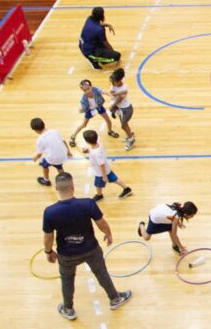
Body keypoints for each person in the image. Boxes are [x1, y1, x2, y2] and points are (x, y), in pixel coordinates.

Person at [42, 172, 132, 321]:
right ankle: (114, 299)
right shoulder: (87, 204)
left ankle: (68, 309)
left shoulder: (50, 212)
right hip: (91, 250)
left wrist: (48, 251)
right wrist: (108, 234)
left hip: (66, 255)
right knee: (101, 273)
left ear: (57, 188)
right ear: (72, 187)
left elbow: (48, 236)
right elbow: (101, 222)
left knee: (67, 280)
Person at [83, 130, 132, 202]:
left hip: (101, 173)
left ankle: (99, 195)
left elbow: (101, 165)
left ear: (87, 141)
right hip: (106, 169)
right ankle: (127, 189)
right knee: (115, 179)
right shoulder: (97, 144)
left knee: (98, 184)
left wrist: (104, 176)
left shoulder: (95, 153)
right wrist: (88, 151)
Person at [69, 79, 119, 148]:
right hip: (89, 111)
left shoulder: (96, 90)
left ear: (91, 86)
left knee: (108, 121)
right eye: (84, 90)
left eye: (88, 89)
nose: (87, 91)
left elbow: (104, 92)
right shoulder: (83, 99)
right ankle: (73, 136)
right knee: (83, 125)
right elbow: (83, 108)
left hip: (99, 107)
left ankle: (110, 131)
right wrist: (81, 110)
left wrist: (111, 96)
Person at [31, 118, 71, 187]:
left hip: (53, 158)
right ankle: (63, 179)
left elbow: (39, 154)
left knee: (44, 165)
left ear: (36, 130)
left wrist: (35, 158)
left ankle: (46, 180)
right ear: (44, 124)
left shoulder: (40, 140)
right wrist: (68, 152)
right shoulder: (54, 131)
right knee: (59, 166)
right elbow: (64, 142)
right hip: (63, 155)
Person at [108, 68, 135, 151]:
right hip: (120, 109)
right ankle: (129, 133)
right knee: (124, 124)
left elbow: (118, 100)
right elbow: (112, 93)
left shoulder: (124, 89)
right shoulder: (113, 84)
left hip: (126, 109)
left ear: (119, 81)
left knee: (123, 125)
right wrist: (114, 94)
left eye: (113, 81)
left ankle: (131, 139)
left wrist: (112, 106)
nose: (112, 83)